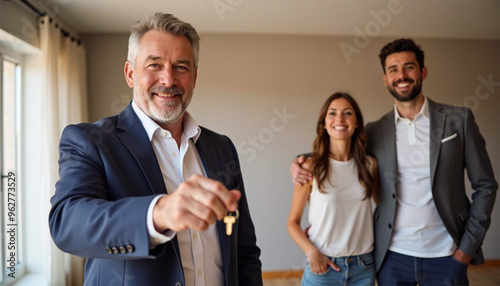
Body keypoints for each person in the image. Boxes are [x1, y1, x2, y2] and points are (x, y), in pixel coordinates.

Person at [49, 12, 262, 286]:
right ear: (130, 74)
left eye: (181, 67)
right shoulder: (90, 140)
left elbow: (244, 250)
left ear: (194, 77)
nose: (168, 79)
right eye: (154, 65)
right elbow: (67, 224)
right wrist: (159, 212)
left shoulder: (222, 147)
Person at [290, 38, 497, 285]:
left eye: (409, 67)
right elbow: (339, 146)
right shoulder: (377, 130)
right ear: (385, 79)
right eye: (393, 70)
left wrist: (467, 249)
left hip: (447, 254)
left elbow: (486, 186)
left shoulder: (458, 120)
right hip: (392, 256)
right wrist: (300, 161)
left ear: (423, 72)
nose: (402, 75)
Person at [287, 92, 379, 285]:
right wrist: (312, 253)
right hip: (324, 266)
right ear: (324, 124)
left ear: (356, 123)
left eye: (347, 113)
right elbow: (292, 223)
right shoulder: (310, 167)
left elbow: (384, 209)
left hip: (364, 267)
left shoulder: (370, 165)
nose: (339, 119)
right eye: (332, 113)